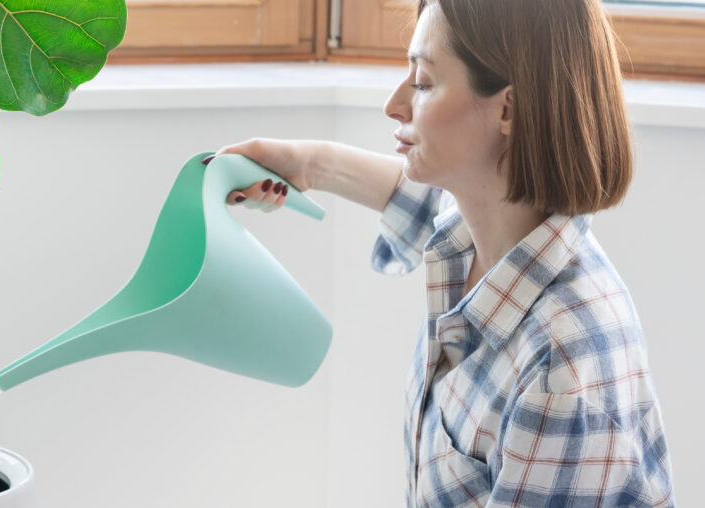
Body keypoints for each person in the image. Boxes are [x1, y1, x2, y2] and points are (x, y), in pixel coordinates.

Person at [202, 0, 675, 506]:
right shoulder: (488, 236)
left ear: (508, 109)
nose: (395, 104)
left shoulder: (561, 381)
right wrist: (308, 165)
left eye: (423, 82)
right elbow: (422, 202)